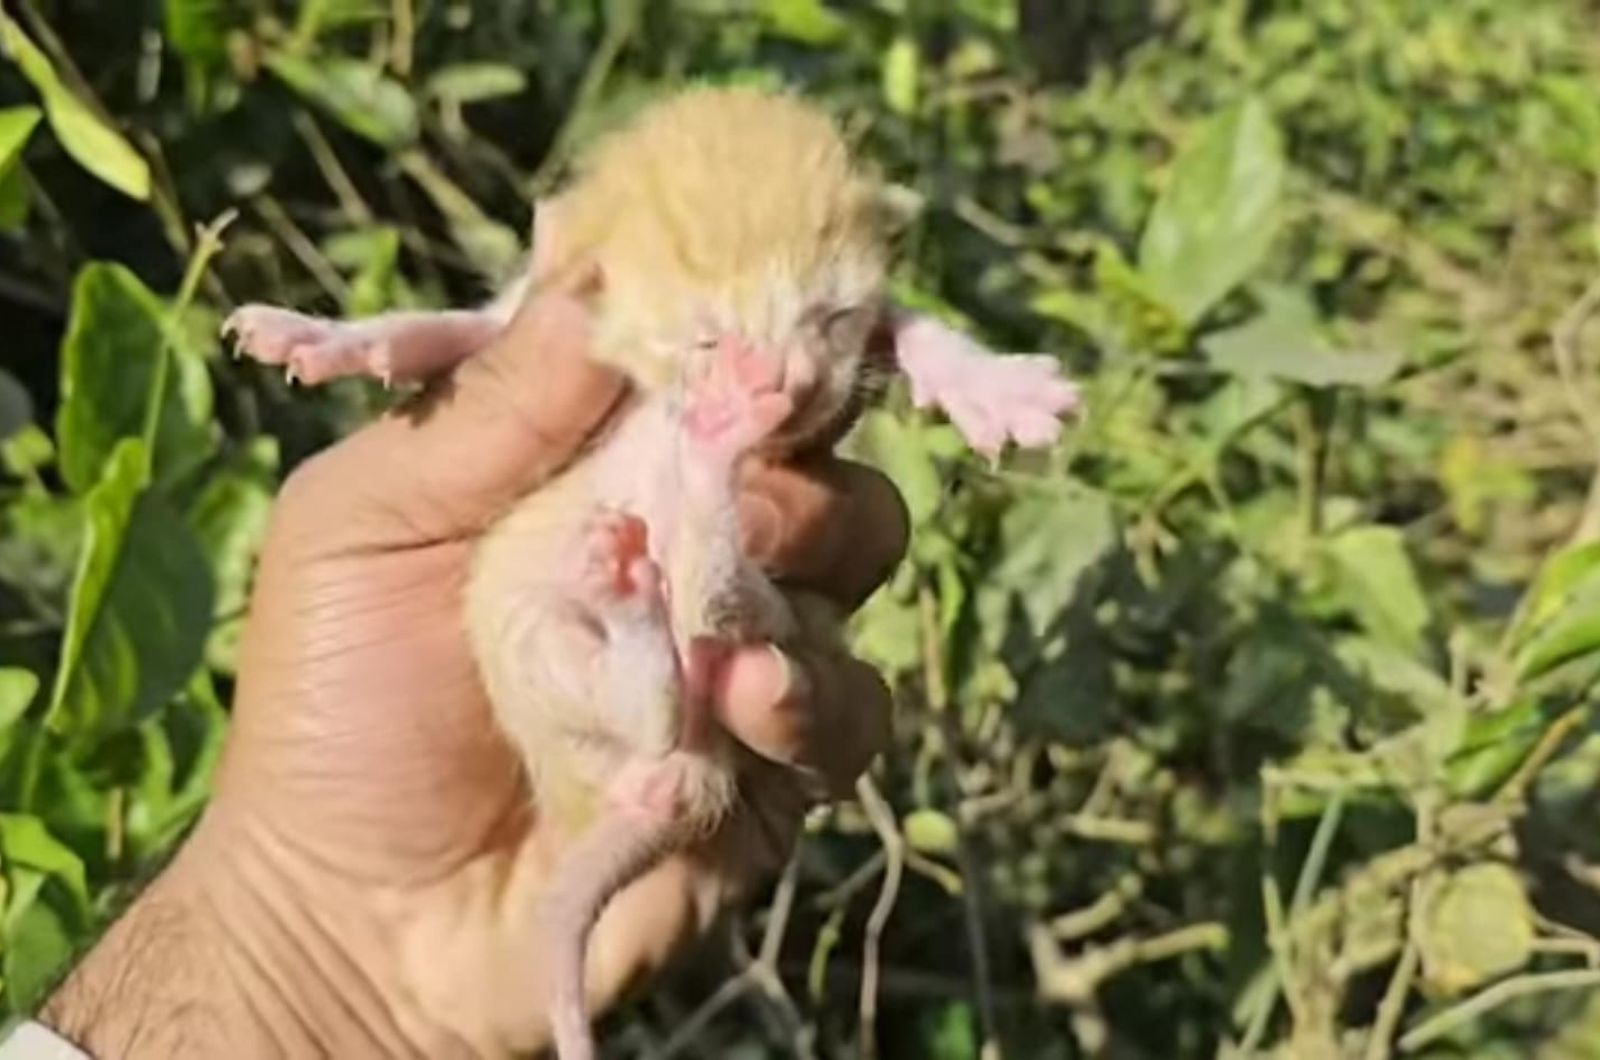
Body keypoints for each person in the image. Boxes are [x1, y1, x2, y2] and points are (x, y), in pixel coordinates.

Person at [24, 268, 908, 1057]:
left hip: (638, 679)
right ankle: (654, 632)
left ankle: (656, 634)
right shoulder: (634, 281)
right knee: (691, 611)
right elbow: (498, 325)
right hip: (615, 667)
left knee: (722, 606)